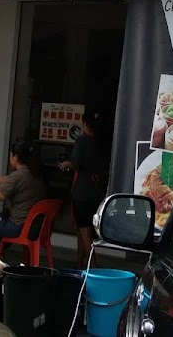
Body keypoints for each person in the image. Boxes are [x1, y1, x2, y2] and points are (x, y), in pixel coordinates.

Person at [0, 139, 46, 260]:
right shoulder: (34, 174)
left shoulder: (18, 176)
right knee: (5, 214)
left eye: (10, 155)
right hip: (37, 228)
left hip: (21, 229)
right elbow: (6, 180)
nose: (9, 158)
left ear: (15, 157)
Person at [59, 107, 108, 267]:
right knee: (83, 230)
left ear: (86, 124)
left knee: (84, 231)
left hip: (82, 191)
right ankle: (80, 263)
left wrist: (68, 164)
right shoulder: (103, 142)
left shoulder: (82, 140)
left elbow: (77, 163)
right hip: (96, 190)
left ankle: (94, 267)